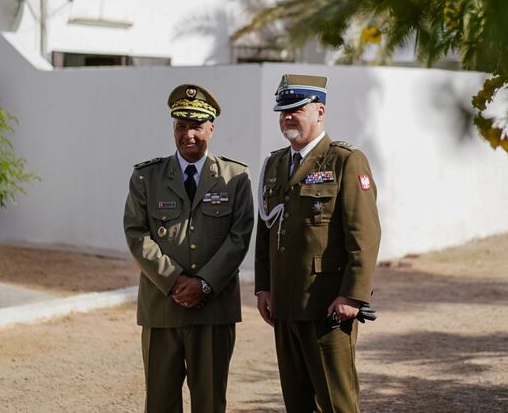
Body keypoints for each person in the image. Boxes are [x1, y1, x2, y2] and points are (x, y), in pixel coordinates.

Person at [255, 74, 382, 413]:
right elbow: (265, 231)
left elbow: (365, 234)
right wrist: (263, 288)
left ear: (320, 111)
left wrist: (353, 295)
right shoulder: (274, 164)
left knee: (336, 403)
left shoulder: (345, 160)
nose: (288, 117)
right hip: (283, 305)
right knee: (296, 403)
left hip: (326, 306)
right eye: (283, 111)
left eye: (297, 109)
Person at [124, 84, 254, 413]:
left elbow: (239, 237)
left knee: (210, 402)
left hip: (214, 311)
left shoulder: (236, 178)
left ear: (211, 127)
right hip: (162, 309)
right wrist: (173, 281)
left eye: (196, 125)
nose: (188, 135)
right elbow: (136, 233)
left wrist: (204, 283)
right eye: (181, 126)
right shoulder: (146, 177)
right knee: (160, 403)